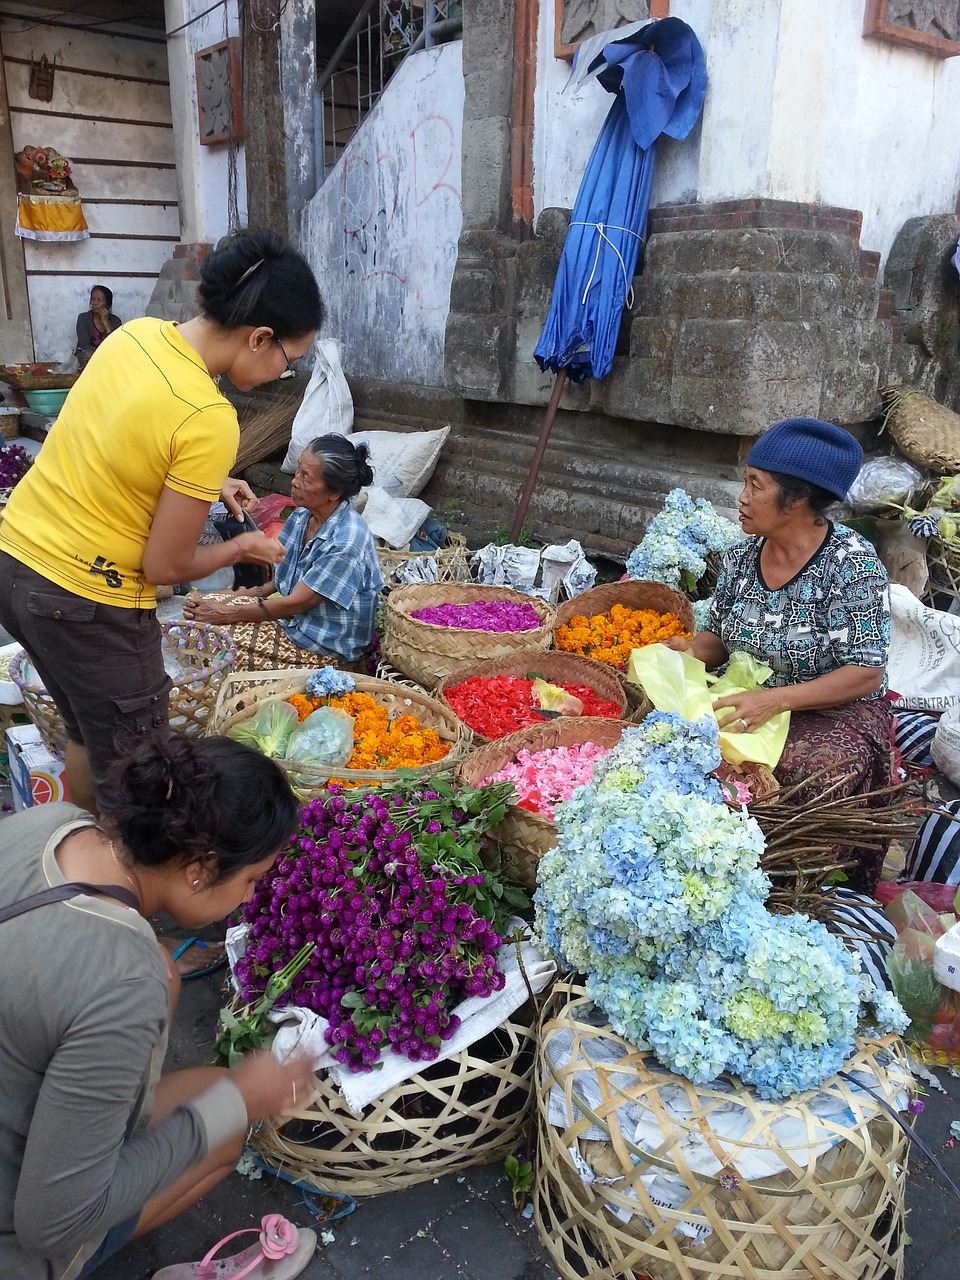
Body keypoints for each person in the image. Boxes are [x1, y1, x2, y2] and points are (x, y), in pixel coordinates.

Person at [0, 228, 324, 819]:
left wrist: (206, 485)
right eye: (288, 360)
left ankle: (83, 855)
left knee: (84, 728)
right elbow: (166, 566)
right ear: (259, 337)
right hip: (85, 597)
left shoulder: (138, 336)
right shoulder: (208, 414)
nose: (283, 374)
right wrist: (240, 548)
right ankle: (124, 894)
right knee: (142, 768)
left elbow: (117, 440)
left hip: (16, 562)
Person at [0, 732, 317, 1280]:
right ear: (200, 868)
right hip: (22, 1235)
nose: (249, 899)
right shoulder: (127, 983)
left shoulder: (46, 825)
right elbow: (52, 1220)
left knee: (203, 1089)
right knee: (221, 1123)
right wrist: (242, 1098)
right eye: (250, 880)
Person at [666, 417, 892, 891]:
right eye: (745, 482)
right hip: (754, 698)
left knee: (807, 777)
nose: (742, 497)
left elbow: (867, 673)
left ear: (799, 498)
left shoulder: (852, 564)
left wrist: (776, 700)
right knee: (679, 748)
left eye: (756, 485)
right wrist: (688, 650)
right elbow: (719, 639)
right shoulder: (742, 556)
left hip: (833, 708)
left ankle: (805, 887)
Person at [184, 435, 384, 666]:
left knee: (214, 639)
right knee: (196, 618)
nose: (294, 481)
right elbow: (278, 579)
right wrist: (228, 598)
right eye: (297, 471)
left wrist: (226, 613)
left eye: (306, 477)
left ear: (334, 493)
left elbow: (296, 603)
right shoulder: (301, 517)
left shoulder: (345, 541)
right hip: (296, 622)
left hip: (325, 645)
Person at [75, 284, 122, 366]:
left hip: (108, 358)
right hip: (91, 358)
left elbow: (115, 345)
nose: (95, 303)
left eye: (99, 300)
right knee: (86, 355)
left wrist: (106, 324)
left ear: (107, 304)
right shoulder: (83, 318)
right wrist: (101, 356)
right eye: (93, 299)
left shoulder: (115, 321)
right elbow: (84, 344)